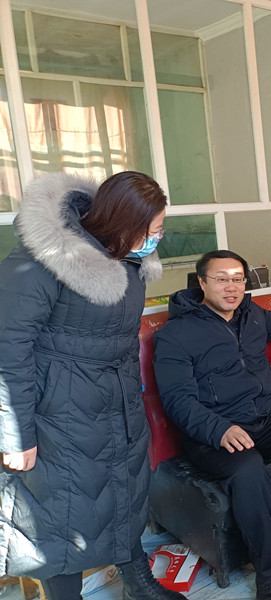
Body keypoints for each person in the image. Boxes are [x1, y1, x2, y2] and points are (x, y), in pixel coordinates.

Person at [0, 171, 184, 600]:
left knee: (124, 497)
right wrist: (16, 436)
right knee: (58, 519)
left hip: (118, 405)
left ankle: (139, 583)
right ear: (124, 222)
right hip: (57, 414)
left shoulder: (129, 257)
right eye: (153, 230)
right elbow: (8, 352)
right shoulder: (42, 260)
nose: (158, 239)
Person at [152, 250, 271, 600]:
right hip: (212, 432)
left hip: (264, 417)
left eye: (238, 279)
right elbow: (178, 400)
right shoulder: (175, 335)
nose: (232, 287)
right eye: (221, 279)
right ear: (202, 283)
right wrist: (219, 430)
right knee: (248, 469)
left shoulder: (252, 314)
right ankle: (269, 574)